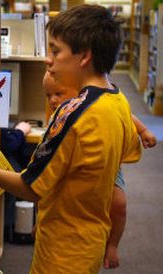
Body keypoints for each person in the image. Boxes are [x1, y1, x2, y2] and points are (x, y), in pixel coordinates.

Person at [0, 5, 142, 273]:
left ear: (84, 56)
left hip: (61, 252)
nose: (48, 59)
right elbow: (123, 155)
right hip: (90, 242)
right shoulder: (119, 102)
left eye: (56, 50)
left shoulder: (74, 114)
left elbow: (30, 187)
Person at [42, 71, 157, 269]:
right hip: (71, 165)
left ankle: (113, 245)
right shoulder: (59, 114)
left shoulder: (96, 103)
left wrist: (143, 131)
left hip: (105, 162)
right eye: (48, 95)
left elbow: (126, 114)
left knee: (119, 204)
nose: (53, 100)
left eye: (58, 94)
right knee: (48, 189)